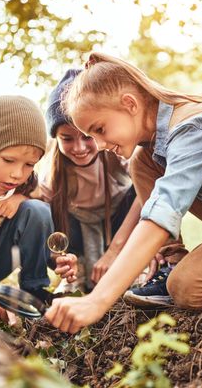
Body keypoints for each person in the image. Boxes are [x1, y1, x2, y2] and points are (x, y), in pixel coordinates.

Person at [44, 52, 202, 333]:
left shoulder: (193, 129)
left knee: (186, 289)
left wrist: (97, 300)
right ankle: (172, 261)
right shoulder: (151, 146)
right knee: (142, 161)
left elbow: (162, 213)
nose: (101, 144)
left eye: (100, 130)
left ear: (129, 104)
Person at [0, 95, 77, 323]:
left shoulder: (24, 183)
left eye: (29, 164)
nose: (17, 174)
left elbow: (35, 229)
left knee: (38, 210)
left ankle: (34, 293)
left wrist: (56, 259)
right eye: (8, 160)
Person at [39, 69, 140, 290]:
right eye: (67, 139)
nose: (79, 148)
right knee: (43, 209)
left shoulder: (116, 152)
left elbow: (147, 195)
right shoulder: (51, 173)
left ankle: (135, 264)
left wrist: (114, 251)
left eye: (87, 136)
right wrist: (59, 257)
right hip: (77, 230)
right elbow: (39, 218)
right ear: (56, 138)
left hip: (116, 222)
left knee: (141, 190)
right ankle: (77, 270)